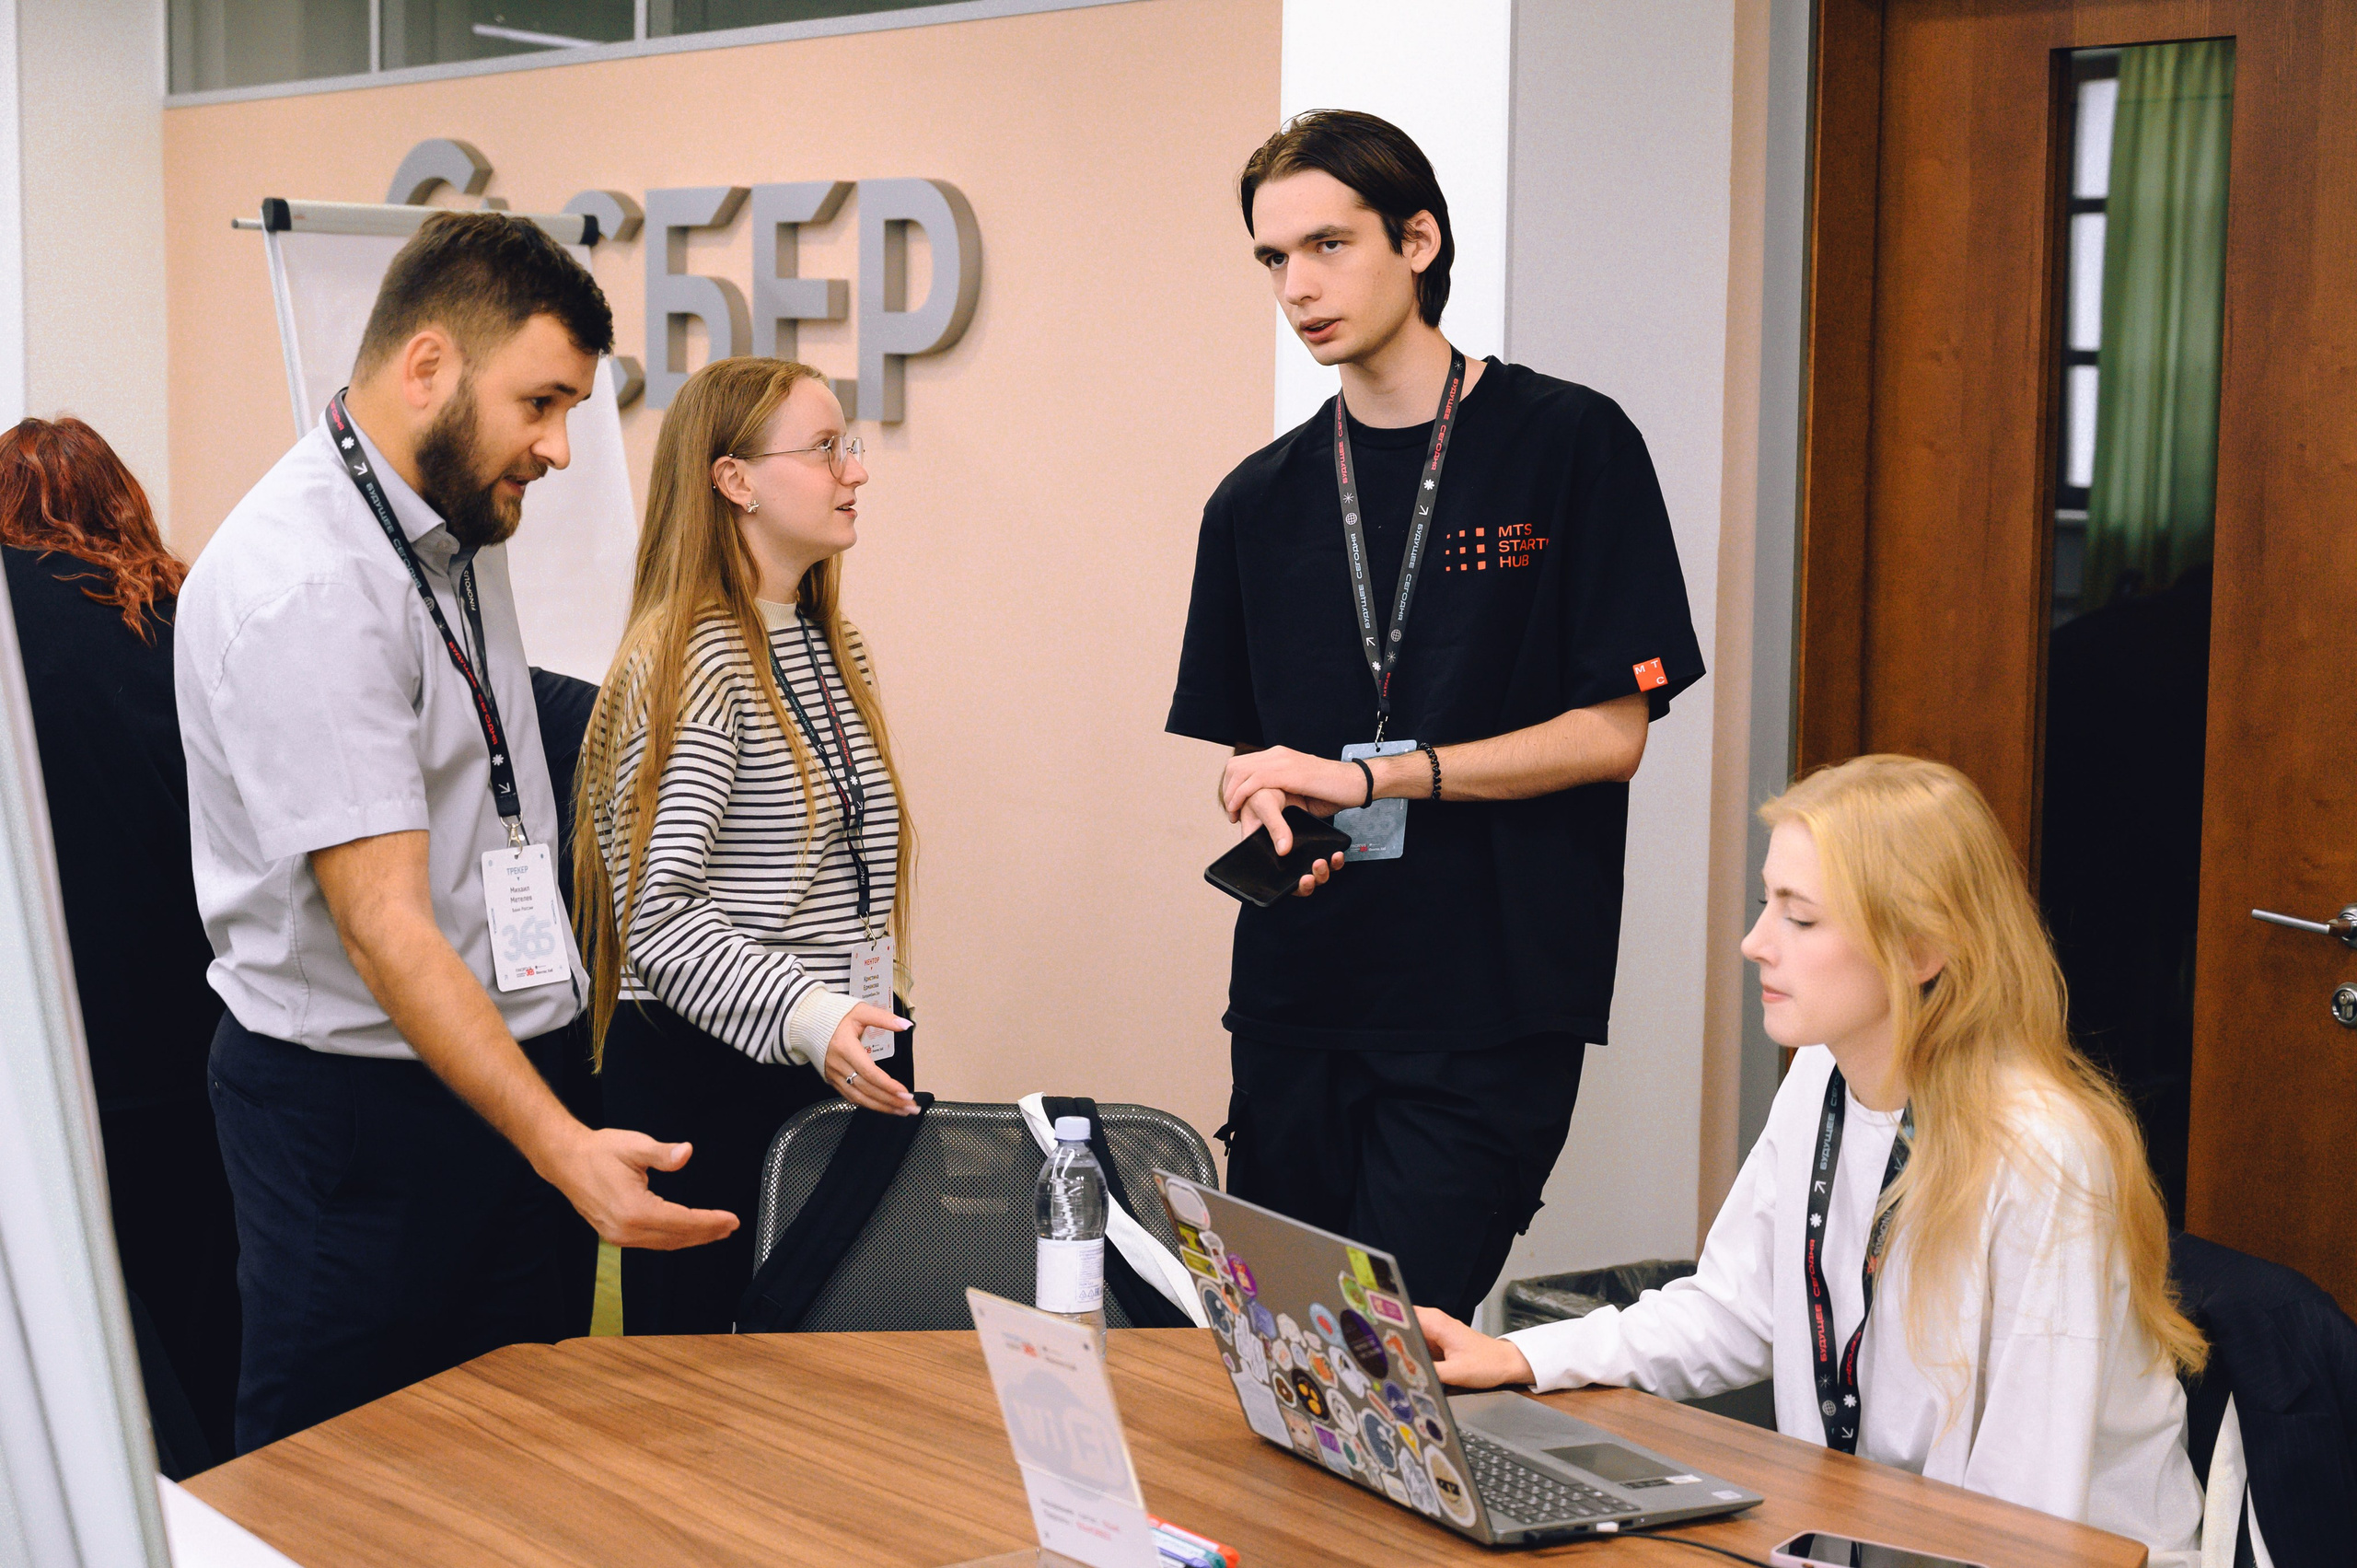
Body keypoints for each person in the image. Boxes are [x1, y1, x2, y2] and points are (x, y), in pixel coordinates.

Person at [176, 211, 734, 1453]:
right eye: (540, 403)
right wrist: (563, 1146)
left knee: (508, 1460)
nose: (560, 447)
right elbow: (381, 928)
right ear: (426, 366)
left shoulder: (449, 523)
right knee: (338, 1478)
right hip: (360, 1121)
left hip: (497, 1077)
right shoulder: (307, 581)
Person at [1167, 110, 1704, 1320]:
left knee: (1388, 1349)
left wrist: (1378, 777)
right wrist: (1258, 789)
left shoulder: (1568, 446)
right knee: (1286, 1358)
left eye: (1327, 245)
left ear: (1419, 239)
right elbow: (1255, 751)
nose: (1297, 287)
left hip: (1488, 1004)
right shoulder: (1256, 502)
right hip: (1300, 994)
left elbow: (1613, 731)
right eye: (1271, 259)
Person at [1416, 755, 2206, 1565]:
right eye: (1768, 905)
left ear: (1921, 947)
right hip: (1871, 1536)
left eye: (1799, 918)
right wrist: (1519, 1355)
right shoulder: (1825, 1075)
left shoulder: (2043, 1154)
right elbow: (1733, 1308)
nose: (1755, 943)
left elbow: (2023, 1512)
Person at [575, 355, 917, 1336]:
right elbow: (658, 918)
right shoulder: (690, 660)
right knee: (710, 1418)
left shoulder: (831, 643)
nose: (855, 471)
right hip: (714, 1072)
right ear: (734, 479)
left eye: (847, 445)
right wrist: (813, 1014)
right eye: (824, 449)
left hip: (823, 1054)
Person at [2, 416, 238, 1469]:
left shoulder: (12, 623)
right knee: (199, 1316)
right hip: (196, 1032)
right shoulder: (184, 613)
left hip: (47, 1040)